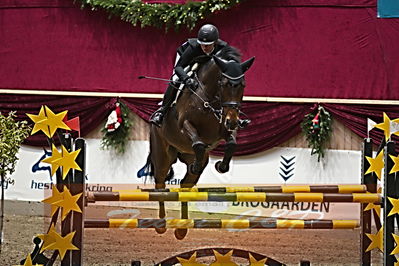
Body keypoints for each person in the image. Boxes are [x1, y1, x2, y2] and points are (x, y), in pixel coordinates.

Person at [150, 24, 250, 128]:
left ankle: (234, 116)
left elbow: (230, 68)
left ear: (215, 43)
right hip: (187, 61)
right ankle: (161, 112)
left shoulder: (222, 48)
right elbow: (179, 67)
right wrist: (187, 79)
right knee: (175, 79)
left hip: (206, 64)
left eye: (208, 44)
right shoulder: (193, 48)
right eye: (202, 44)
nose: (204, 47)